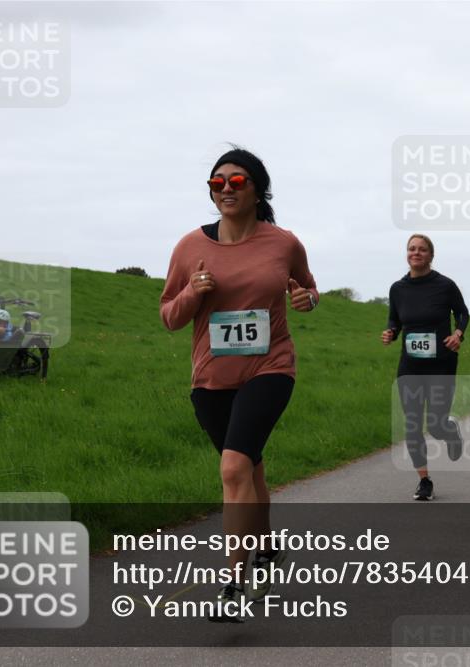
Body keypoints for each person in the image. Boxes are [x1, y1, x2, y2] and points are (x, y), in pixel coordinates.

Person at [160, 147, 319, 621]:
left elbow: (309, 288)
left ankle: (234, 581)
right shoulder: (190, 247)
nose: (226, 189)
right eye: (217, 183)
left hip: (270, 369)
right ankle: (268, 546)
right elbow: (169, 316)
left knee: (233, 469)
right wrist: (193, 291)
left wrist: (306, 299)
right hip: (211, 378)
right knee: (250, 469)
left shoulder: (284, 243)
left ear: (257, 189)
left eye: (237, 181)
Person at [382, 234, 468, 501]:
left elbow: (463, 313)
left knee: (435, 425)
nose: (415, 253)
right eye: (411, 249)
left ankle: (449, 431)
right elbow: (394, 320)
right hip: (410, 365)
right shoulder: (397, 288)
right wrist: (390, 333)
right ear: (406, 253)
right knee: (412, 424)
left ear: (431, 255)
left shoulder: (445, 285)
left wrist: (458, 334)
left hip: (441, 363)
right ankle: (425, 481)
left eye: (421, 249)